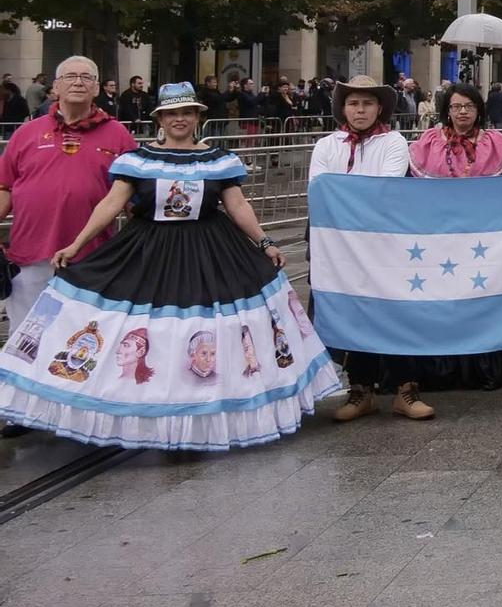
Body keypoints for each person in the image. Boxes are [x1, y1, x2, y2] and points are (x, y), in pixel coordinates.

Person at [0, 82, 342, 447]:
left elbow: (237, 205)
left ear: (197, 117)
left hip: (212, 249)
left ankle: (205, 414)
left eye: (187, 113)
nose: (180, 119)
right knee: (147, 327)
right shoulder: (138, 160)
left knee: (210, 326)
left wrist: (264, 241)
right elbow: (111, 205)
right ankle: (147, 411)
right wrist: (77, 243)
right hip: (149, 249)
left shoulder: (218, 159)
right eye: (172, 114)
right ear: (160, 118)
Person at [0, 57, 136, 436]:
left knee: (85, 336)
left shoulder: (119, 137)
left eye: (86, 77)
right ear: (54, 88)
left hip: (92, 259)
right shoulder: (26, 134)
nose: (78, 82)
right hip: (30, 252)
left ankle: (79, 412)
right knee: (25, 333)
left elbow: (132, 198)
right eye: (70, 76)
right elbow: (5, 187)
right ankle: (19, 410)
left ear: (97, 88)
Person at [404, 83, 502, 389]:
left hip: (487, 238)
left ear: (479, 109)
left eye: (468, 106)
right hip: (440, 238)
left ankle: (490, 367)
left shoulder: (497, 143)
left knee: (485, 298)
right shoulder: (427, 143)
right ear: (446, 110)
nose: (462, 112)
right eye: (456, 107)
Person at [309, 75, 429, 421]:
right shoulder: (326, 145)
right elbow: (318, 189)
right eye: (353, 103)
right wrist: (347, 194)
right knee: (350, 311)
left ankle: (405, 389)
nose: (360, 110)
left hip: (384, 242)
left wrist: (343, 192)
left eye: (367, 103)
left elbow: (385, 189)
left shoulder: (393, 142)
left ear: (379, 108)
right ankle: (360, 388)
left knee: (395, 312)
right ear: (343, 108)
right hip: (338, 243)